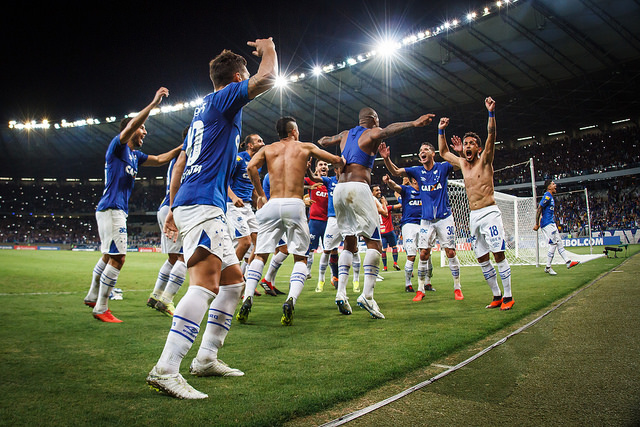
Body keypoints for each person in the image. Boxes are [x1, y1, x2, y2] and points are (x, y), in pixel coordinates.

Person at [146, 38, 278, 400]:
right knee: (204, 285)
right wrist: (269, 48)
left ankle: (206, 357)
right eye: (243, 77)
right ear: (236, 77)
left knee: (233, 282)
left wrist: (173, 205)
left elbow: (181, 161)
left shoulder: (202, 111)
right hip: (203, 204)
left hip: (199, 202)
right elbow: (267, 78)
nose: (246, 82)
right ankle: (166, 369)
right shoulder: (224, 98)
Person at [318, 107, 435, 319]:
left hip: (340, 191)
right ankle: (367, 296)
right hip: (358, 188)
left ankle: (341, 293)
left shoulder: (344, 134)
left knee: (349, 243)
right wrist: (414, 123)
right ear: (372, 119)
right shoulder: (371, 132)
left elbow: (324, 141)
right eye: (377, 120)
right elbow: (389, 130)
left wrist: (328, 144)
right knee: (375, 244)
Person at [83, 87, 182, 323]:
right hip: (112, 208)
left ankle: (92, 296)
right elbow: (130, 127)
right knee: (118, 258)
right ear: (132, 129)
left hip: (113, 209)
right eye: (142, 128)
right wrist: (153, 104)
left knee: (108, 256)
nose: (145, 132)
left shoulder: (136, 156)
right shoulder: (117, 148)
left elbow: (159, 159)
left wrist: (184, 147)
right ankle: (101, 308)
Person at [238, 116, 344, 326]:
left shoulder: (268, 149)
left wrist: (260, 194)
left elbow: (251, 168)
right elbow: (335, 160)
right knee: (300, 258)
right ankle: (290, 301)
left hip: (272, 203)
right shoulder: (304, 147)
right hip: (295, 204)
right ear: (293, 131)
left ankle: (247, 296)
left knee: (260, 254)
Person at [437, 97, 514, 311]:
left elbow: (492, 134)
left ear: (478, 148)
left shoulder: (485, 160)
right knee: (482, 258)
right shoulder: (462, 163)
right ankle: (496, 295)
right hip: (473, 217)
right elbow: (443, 153)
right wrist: (440, 130)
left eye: (471, 143)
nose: (468, 146)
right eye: (466, 143)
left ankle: (508, 296)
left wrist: (491, 113)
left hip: (490, 213)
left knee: (498, 254)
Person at [380, 141, 463, 301]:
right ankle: (420, 289)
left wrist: (459, 153)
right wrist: (386, 159)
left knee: (450, 252)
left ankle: (457, 288)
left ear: (433, 153)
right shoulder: (417, 171)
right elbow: (396, 171)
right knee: (423, 253)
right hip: (426, 221)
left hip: (444, 217)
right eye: (420, 150)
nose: (422, 152)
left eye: (425, 149)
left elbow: (462, 165)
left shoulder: (443, 167)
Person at [148, 126, 191, 317]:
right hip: (177, 208)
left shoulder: (178, 155)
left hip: (165, 207)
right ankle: (166, 300)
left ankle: (156, 295)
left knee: (173, 259)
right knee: (184, 257)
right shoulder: (190, 153)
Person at [227, 134, 265, 272]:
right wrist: (233, 197)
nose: (263, 143)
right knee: (245, 242)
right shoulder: (238, 159)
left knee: (260, 242)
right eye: (259, 141)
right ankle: (231, 277)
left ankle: (247, 276)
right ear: (250, 145)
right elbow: (223, 180)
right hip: (233, 206)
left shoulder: (256, 163)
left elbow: (252, 187)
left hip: (247, 206)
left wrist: (260, 200)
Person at [382, 174, 422, 292]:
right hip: (409, 225)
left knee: (426, 254)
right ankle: (408, 284)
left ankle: (426, 283)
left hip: (423, 224)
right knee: (411, 255)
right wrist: (404, 184)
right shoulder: (406, 193)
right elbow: (396, 192)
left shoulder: (424, 191)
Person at [533, 179, 580, 274]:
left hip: (551, 223)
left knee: (559, 242)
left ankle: (568, 262)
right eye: (553, 184)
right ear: (549, 187)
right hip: (547, 224)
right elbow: (539, 209)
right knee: (553, 244)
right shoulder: (547, 196)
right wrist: (537, 223)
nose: (555, 185)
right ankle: (548, 267)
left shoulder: (550, 196)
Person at [304, 160, 329, 279]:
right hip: (314, 221)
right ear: (316, 168)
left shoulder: (331, 182)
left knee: (329, 249)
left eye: (325, 165)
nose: (323, 166)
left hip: (329, 221)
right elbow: (296, 184)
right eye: (321, 165)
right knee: (309, 249)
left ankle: (324, 276)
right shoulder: (310, 180)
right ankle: (307, 271)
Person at [371, 184, 401, 272]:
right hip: (389, 231)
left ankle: (385, 267)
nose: (379, 192)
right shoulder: (387, 208)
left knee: (384, 250)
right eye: (377, 190)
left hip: (381, 231)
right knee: (394, 247)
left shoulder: (374, 207)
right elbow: (399, 206)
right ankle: (395, 263)